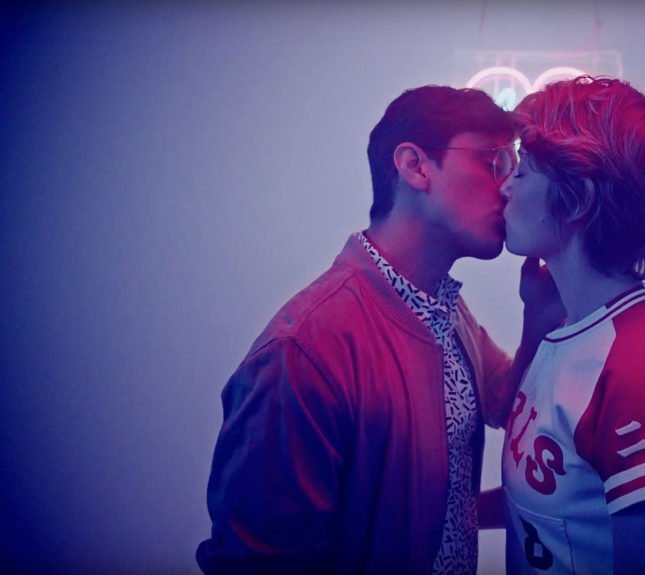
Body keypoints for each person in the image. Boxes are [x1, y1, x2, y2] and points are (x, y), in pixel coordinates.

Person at [196, 85, 563, 575]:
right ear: (415, 166)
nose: (508, 186)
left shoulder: (443, 307)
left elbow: (505, 404)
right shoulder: (304, 350)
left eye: (513, 167)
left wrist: (538, 318)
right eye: (493, 161)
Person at [498, 76, 645, 575]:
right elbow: (554, 509)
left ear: (577, 199)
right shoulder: (568, 328)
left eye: (524, 170)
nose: (505, 186)